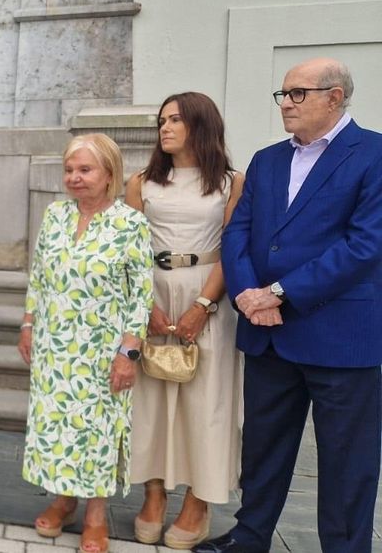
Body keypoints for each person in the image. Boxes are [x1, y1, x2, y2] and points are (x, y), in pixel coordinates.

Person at [199, 58, 382, 553]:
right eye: (283, 95)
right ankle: (250, 536)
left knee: (347, 459)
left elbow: (365, 246)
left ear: (335, 97)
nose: (286, 105)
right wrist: (245, 294)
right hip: (268, 332)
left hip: (339, 335)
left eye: (298, 94)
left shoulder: (374, 154)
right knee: (263, 447)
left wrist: (280, 293)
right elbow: (237, 230)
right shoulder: (267, 159)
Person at [18, 133, 153, 553]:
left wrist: (129, 352)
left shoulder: (130, 223)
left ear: (109, 174)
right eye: (70, 170)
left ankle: (95, 516)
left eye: (85, 170)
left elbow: (141, 294)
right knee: (56, 426)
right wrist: (27, 323)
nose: (74, 178)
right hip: (54, 345)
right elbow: (38, 275)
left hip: (102, 349)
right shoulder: (56, 215)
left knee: (96, 433)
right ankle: (63, 499)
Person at [124, 93, 244, 549]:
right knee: (150, 400)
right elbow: (129, 249)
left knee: (205, 403)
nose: (165, 127)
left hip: (207, 290)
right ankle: (153, 493)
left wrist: (203, 305)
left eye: (175, 119)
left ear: (200, 123)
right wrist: (142, 305)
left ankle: (199, 500)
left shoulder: (231, 183)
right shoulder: (142, 182)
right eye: (161, 121)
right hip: (152, 291)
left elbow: (234, 247)